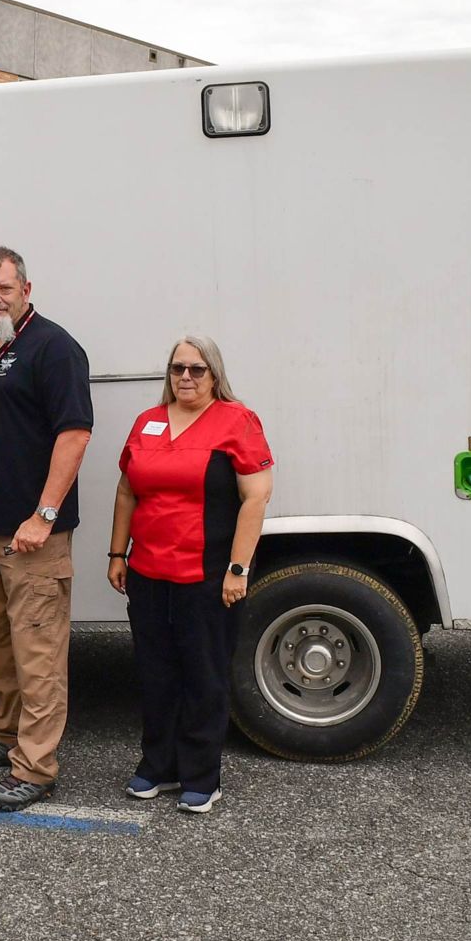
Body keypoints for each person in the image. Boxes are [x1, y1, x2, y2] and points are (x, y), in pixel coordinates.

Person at [0, 246, 92, 811]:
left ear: (25, 289)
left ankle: (35, 766)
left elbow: (75, 434)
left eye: (4, 288)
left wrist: (45, 514)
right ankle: (5, 734)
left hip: (34, 535)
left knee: (38, 650)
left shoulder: (54, 348)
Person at [107, 335, 273, 814]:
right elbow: (125, 491)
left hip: (207, 573)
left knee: (203, 673)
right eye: (177, 368)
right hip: (148, 571)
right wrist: (118, 553)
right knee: (156, 672)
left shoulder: (236, 420)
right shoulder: (148, 421)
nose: (185, 377)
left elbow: (256, 498)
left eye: (197, 369)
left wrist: (238, 568)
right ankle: (159, 766)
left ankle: (202, 775)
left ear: (214, 374)